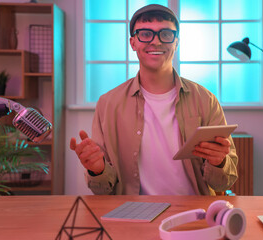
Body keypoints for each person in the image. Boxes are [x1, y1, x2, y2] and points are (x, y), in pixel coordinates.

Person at [70, 4, 238, 195]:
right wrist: (96, 169)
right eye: (145, 34)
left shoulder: (206, 100)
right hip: (131, 213)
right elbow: (102, 190)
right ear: (133, 42)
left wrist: (219, 162)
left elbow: (225, 183)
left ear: (176, 42)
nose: (156, 42)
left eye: (166, 34)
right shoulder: (108, 104)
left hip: (193, 214)